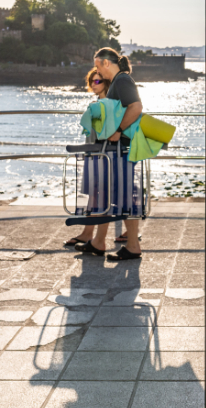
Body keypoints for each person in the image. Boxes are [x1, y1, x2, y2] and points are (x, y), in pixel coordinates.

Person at [75, 48, 144, 261]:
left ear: (106, 63)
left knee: (125, 196)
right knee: (112, 195)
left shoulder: (122, 81)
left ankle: (132, 247)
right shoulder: (118, 82)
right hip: (116, 150)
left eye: (97, 66)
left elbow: (136, 107)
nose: (97, 71)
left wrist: (118, 131)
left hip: (120, 149)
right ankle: (100, 241)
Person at [64, 67, 127, 247]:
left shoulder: (108, 103)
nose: (93, 84)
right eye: (92, 80)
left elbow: (104, 132)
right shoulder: (99, 102)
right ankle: (87, 233)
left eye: (97, 80)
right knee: (92, 195)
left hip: (103, 154)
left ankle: (98, 241)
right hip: (93, 153)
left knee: (102, 196)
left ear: (107, 82)